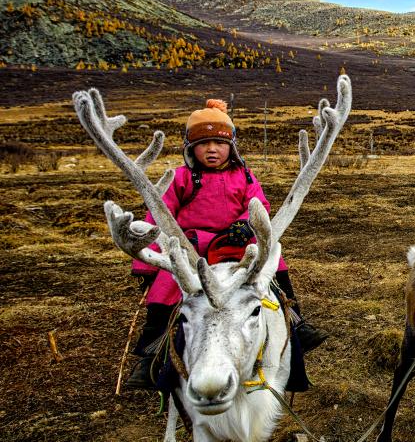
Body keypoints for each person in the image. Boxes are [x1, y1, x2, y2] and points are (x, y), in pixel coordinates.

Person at [125, 98, 328, 391]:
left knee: (274, 264)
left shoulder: (244, 176)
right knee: (167, 288)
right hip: (192, 251)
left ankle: (296, 322)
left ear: (231, 146)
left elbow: (260, 204)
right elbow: (158, 216)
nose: (211, 150)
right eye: (203, 143)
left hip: (237, 248)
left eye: (219, 143)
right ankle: (152, 353)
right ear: (190, 148)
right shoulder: (182, 178)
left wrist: (247, 224)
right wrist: (146, 264)